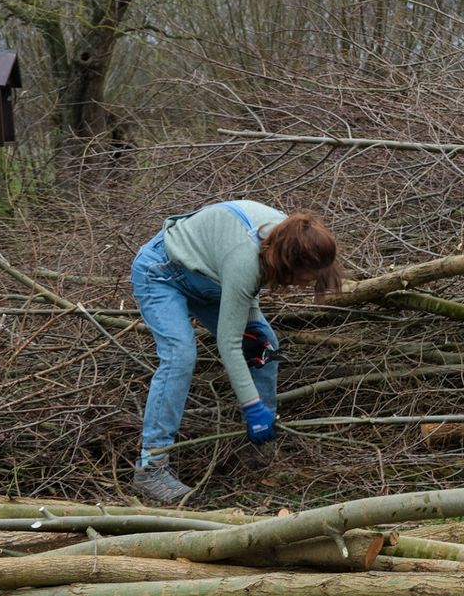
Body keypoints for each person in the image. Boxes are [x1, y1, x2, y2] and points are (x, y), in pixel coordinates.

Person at [129, 201, 341, 503]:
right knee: (180, 356)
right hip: (162, 272)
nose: (305, 285)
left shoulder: (290, 236)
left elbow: (247, 289)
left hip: (209, 278)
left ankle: (260, 447)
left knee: (267, 346)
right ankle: (152, 467)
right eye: (306, 278)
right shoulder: (249, 257)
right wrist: (251, 405)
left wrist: (254, 332)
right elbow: (229, 342)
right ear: (290, 263)